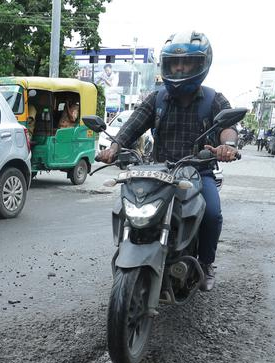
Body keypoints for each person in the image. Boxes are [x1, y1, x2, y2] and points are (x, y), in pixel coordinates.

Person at [96, 30, 238, 292]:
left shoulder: (212, 99)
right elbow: (132, 126)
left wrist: (227, 146)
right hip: (158, 171)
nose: (180, 68)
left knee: (212, 214)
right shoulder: (157, 98)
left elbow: (228, 128)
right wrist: (114, 147)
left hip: (198, 172)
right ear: (167, 65)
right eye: (175, 63)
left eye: (187, 63)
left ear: (201, 65)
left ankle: (206, 263)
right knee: (127, 206)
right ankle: (134, 250)